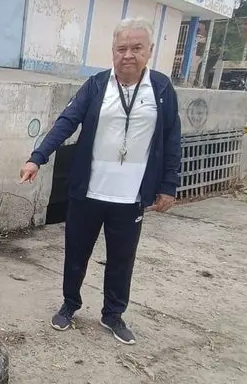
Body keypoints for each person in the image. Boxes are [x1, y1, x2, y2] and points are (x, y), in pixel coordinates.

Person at [18, 17, 182, 345]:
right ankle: (69, 305)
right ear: (112, 52)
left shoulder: (161, 89)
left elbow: (172, 137)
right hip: (88, 191)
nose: (128, 55)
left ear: (149, 51)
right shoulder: (96, 85)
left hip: (131, 194)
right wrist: (38, 157)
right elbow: (67, 122)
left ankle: (113, 315)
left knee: (122, 260)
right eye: (122, 48)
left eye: (137, 48)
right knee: (76, 253)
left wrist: (168, 185)